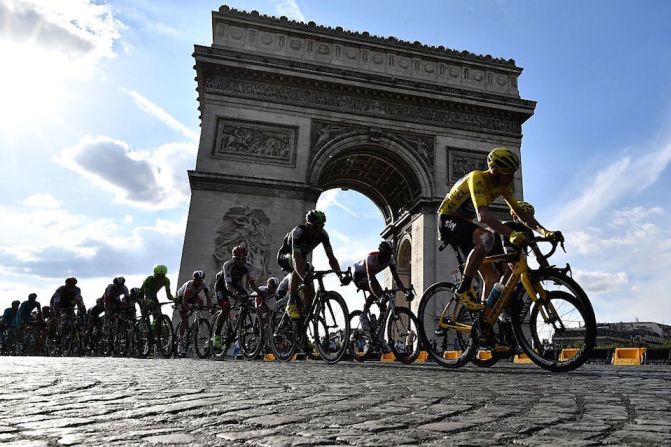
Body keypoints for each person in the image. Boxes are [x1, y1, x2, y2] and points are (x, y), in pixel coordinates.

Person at [437, 147, 561, 316]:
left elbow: (522, 214)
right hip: (446, 220)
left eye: (513, 174)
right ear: (494, 170)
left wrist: (545, 232)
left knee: (493, 277)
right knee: (486, 237)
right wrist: (510, 234)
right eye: (508, 174)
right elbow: (483, 216)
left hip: (465, 226)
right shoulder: (477, 177)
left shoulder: (503, 187)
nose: (511, 178)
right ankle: (463, 289)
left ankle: (483, 321)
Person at [276, 210, 346, 320]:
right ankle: (291, 301)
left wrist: (340, 275)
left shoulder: (323, 234)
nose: (318, 230)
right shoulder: (298, 233)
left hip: (300, 258)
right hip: (286, 256)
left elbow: (331, 258)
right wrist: (303, 277)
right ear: (308, 224)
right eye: (315, 227)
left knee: (309, 277)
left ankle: (306, 314)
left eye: (321, 226)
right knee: (302, 266)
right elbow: (296, 259)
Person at [353, 241, 411, 330]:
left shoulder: (390, 259)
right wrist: (379, 296)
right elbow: (371, 280)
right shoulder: (371, 258)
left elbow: (397, 279)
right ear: (381, 253)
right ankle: (363, 315)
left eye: (389, 255)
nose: (387, 258)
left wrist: (405, 292)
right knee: (375, 295)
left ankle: (378, 330)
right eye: (386, 255)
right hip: (359, 275)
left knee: (383, 303)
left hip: (371, 276)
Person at [212, 244, 261, 349]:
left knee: (246, 301)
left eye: (243, 259)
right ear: (233, 258)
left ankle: (239, 326)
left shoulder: (249, 266)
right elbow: (227, 285)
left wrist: (259, 291)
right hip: (223, 287)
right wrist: (235, 293)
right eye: (238, 259)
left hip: (236, 285)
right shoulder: (228, 265)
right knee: (226, 308)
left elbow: (252, 284)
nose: (241, 262)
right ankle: (217, 335)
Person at [176, 270, 213, 346]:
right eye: (197, 280)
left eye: (200, 280)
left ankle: (195, 318)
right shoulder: (189, 285)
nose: (199, 281)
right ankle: (181, 339)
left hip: (193, 296)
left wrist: (209, 307)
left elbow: (208, 297)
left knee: (200, 301)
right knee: (184, 319)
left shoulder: (203, 284)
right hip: (181, 297)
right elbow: (185, 299)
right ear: (194, 279)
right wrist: (186, 308)